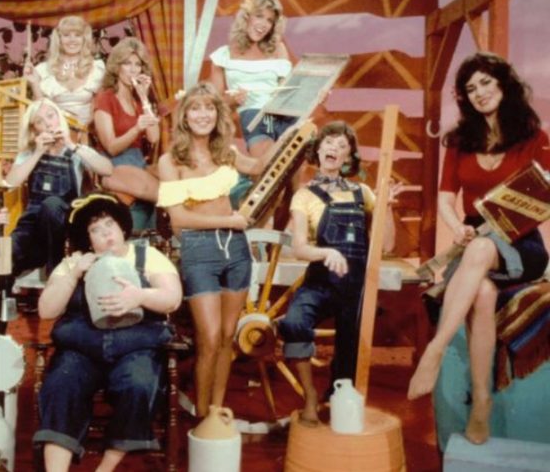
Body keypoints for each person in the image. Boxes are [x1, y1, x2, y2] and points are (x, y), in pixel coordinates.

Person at [407, 52, 550, 444]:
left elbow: (544, 196)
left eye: (486, 82)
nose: (480, 92)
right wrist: (457, 229)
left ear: (503, 84)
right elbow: (444, 200)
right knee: (483, 292)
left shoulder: (535, 138)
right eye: (471, 88)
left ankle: (434, 352)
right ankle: (482, 402)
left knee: (483, 251)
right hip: (473, 237)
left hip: (521, 240)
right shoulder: (459, 141)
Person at [33, 192, 182, 472]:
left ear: (122, 227)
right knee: (61, 384)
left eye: (109, 225)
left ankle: (105, 468)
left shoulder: (147, 256)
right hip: (81, 350)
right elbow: (47, 310)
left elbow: (172, 298)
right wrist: (74, 274)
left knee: (139, 383)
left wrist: (140, 296)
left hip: (135, 347)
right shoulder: (75, 262)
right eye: (95, 230)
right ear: (88, 239)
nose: (106, 234)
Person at [156, 82, 279, 417]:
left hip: (235, 250)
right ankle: (201, 418)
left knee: (226, 336)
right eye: (195, 108)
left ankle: (216, 412)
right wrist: (230, 221)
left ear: (218, 113)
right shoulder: (171, 161)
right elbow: (179, 220)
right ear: (184, 116)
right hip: (199, 252)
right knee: (208, 337)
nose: (203, 115)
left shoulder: (227, 153)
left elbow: (260, 166)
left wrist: (294, 124)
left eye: (209, 107)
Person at [277, 121, 400, 426]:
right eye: (329, 142)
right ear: (318, 149)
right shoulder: (304, 196)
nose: (334, 148)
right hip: (320, 282)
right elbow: (299, 248)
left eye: (342, 145)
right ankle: (309, 396)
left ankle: (338, 399)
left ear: (348, 157)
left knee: (350, 351)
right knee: (293, 323)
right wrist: (327, 253)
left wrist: (386, 207)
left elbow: (386, 245)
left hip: (355, 287)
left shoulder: (363, 192)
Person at [0, 98, 112, 327]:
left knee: (51, 204)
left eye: (51, 116)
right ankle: (0, 328)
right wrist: (37, 153)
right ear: (35, 130)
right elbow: (10, 183)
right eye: (40, 122)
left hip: (64, 230)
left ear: (59, 118)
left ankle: (57, 280)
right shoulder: (29, 153)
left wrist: (72, 145)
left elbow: (107, 169)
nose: (48, 124)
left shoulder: (76, 151)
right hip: (33, 231)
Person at [209, 0, 294, 160]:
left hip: (282, 115)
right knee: (268, 165)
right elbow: (214, 104)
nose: (264, 24)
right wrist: (232, 100)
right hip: (253, 116)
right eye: (259, 16)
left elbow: (288, 92)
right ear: (246, 17)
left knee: (292, 166)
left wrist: (314, 95)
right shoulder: (223, 55)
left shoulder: (279, 49)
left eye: (270, 20)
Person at [93, 37, 160, 228]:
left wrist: (144, 97)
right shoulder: (105, 98)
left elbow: (154, 137)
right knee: (164, 194)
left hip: (138, 164)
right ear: (117, 67)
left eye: (138, 65)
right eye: (127, 63)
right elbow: (111, 147)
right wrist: (136, 129)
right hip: (115, 165)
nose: (133, 69)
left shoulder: (138, 101)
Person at [24, 15, 106, 141]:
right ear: (59, 39)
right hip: (55, 135)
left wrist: (82, 132)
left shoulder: (97, 68)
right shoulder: (43, 70)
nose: (72, 40)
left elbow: (99, 107)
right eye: (66, 35)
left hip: (89, 135)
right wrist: (34, 83)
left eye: (77, 35)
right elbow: (41, 111)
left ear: (84, 39)